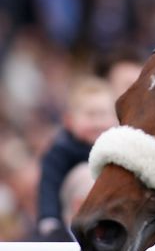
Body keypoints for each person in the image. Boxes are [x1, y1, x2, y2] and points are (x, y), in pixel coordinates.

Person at [36, 76, 118, 240]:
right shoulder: (60, 151)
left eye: (103, 114)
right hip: (69, 226)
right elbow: (49, 187)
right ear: (69, 121)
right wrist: (50, 221)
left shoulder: (120, 150)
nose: (97, 122)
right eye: (90, 115)